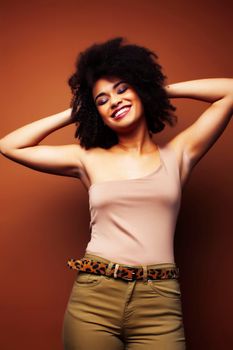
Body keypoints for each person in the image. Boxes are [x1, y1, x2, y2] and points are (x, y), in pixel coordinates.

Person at [0, 37, 232, 350]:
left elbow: (229, 91)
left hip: (159, 301)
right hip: (95, 298)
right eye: (102, 99)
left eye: (123, 88)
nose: (114, 101)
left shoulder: (179, 155)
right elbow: (9, 145)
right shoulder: (86, 159)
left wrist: (155, 89)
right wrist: (78, 111)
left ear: (140, 88)